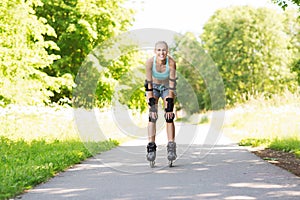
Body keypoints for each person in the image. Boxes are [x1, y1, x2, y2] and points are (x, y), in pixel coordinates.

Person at [144, 41, 177, 165]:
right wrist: (152, 104)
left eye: (163, 50)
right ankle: (151, 147)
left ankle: (171, 146)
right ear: (155, 51)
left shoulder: (172, 62)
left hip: (167, 87)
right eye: (159, 50)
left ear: (167, 51)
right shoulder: (149, 63)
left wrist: (170, 104)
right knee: (152, 116)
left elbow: (172, 84)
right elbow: (148, 84)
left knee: (169, 116)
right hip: (153, 87)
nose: (161, 52)